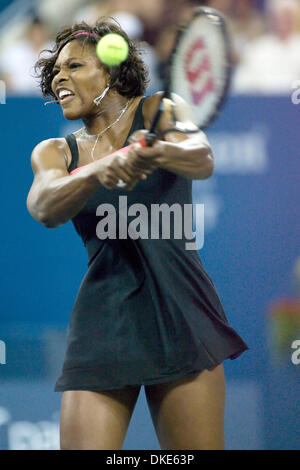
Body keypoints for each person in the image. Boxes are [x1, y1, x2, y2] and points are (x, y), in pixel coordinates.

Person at [27, 19, 248, 450]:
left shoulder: (161, 109)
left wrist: (156, 151)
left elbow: (200, 156)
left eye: (74, 67)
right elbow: (43, 206)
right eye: (55, 71)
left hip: (183, 313)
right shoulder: (56, 151)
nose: (59, 78)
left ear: (110, 74)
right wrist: (98, 170)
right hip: (104, 323)